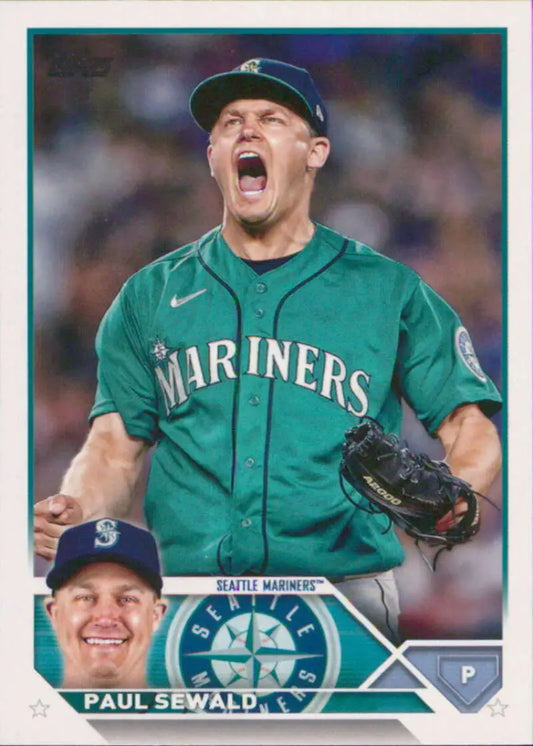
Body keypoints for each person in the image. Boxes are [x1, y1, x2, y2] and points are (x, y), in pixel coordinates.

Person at [34, 58, 502, 641]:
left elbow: (468, 422)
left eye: (271, 119)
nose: (246, 131)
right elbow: (113, 447)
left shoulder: (388, 290)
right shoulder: (150, 294)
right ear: (211, 157)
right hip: (187, 597)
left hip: (344, 595)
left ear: (316, 152)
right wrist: (80, 507)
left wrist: (460, 488)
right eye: (230, 123)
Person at [44, 518, 166, 688]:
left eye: (127, 599)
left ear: (156, 616)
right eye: (85, 598)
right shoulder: (13, 713)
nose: (106, 618)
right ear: (54, 614)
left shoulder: (193, 714)